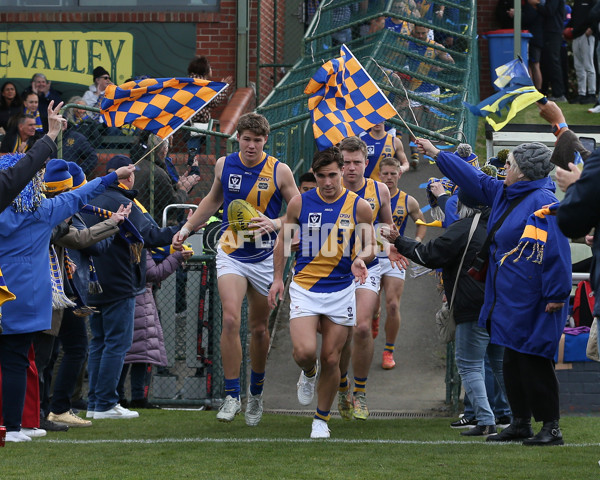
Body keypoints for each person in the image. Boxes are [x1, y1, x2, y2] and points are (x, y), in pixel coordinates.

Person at [417, 137, 571, 446]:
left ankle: (551, 427)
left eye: (510, 165)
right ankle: (520, 423)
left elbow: (557, 252)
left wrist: (556, 295)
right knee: (512, 361)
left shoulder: (542, 202)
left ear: (524, 172)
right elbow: (473, 178)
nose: (505, 170)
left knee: (534, 359)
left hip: (534, 299)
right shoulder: (506, 192)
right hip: (507, 297)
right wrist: (437, 155)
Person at [0, 103, 135, 442]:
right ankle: (15, 426)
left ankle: (14, 425)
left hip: (3, 289)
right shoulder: (44, 211)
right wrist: (110, 177)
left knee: (15, 361)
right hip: (33, 294)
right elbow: (79, 193)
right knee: (19, 360)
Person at [172, 112, 300, 426]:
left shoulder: (279, 171)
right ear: (238, 138)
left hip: (266, 258)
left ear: (265, 141)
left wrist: (274, 221)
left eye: (258, 140)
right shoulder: (223, 165)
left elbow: (301, 210)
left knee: (258, 329)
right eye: (246, 139)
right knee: (230, 318)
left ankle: (255, 394)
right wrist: (187, 228)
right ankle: (232, 396)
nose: (252, 145)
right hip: (231, 251)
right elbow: (212, 200)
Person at [386, 163, 507, 437]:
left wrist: (399, 240)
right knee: (498, 364)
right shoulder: (496, 223)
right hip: (498, 304)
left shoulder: (464, 228)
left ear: (461, 204)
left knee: (469, 363)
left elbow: (431, 253)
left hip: (471, 305)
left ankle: (486, 419)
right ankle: (512, 417)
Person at [268, 146, 375, 438]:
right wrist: (278, 279)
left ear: (342, 172)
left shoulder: (359, 206)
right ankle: (308, 372)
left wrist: (359, 258)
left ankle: (320, 419)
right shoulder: (299, 204)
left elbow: (369, 245)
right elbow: (283, 243)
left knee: (331, 357)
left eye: (332, 175)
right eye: (321, 176)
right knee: (305, 352)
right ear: (314, 176)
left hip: (341, 289)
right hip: (304, 287)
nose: (327, 182)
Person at [81, 155, 185, 420]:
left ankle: (95, 401)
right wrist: (184, 227)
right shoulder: (123, 201)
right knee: (117, 343)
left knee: (100, 342)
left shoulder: (88, 198)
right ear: (128, 176)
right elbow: (149, 236)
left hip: (92, 281)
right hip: (120, 280)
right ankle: (105, 403)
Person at [336, 135, 405, 421]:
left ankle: (360, 392)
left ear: (367, 163)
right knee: (341, 333)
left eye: (356, 162)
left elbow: (388, 227)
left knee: (362, 328)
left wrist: (392, 242)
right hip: (335, 267)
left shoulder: (379, 191)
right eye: (346, 162)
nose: (351, 168)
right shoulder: (329, 187)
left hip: (369, 264)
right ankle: (342, 385)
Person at [118, 248, 193, 409]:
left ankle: (119, 396)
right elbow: (154, 273)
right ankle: (133, 396)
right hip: (139, 300)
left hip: (124, 298)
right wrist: (177, 257)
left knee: (128, 353)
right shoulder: (139, 245)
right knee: (138, 352)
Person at [376, 157, 426, 369]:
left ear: (399, 174)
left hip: (394, 258)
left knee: (393, 305)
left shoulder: (408, 201)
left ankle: (388, 351)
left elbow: (421, 223)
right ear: (379, 175)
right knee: (368, 308)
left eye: (393, 174)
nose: (389, 177)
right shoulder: (370, 197)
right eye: (385, 173)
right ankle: (374, 316)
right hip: (369, 257)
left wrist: (414, 243)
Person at [0, 102, 65, 213]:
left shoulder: (37, 138)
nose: (34, 128)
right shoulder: (10, 138)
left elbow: (40, 160)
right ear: (21, 127)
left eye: (35, 125)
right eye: (30, 125)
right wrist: (16, 155)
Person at [133, 134, 200, 224]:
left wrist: (178, 185)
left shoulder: (139, 165)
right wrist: (184, 188)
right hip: (152, 223)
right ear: (164, 150)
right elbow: (172, 205)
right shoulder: (157, 173)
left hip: (138, 218)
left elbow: (163, 192)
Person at [187, 56, 233, 157]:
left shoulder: (189, 82)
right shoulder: (202, 85)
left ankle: (194, 165)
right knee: (195, 144)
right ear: (204, 70)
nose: (211, 69)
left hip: (186, 121)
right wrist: (224, 87)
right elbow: (213, 102)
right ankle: (193, 167)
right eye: (210, 67)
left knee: (196, 143)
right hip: (196, 122)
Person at [565, 0, 597, 104]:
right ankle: (581, 93)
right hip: (576, 34)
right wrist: (566, 30)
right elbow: (574, 18)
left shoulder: (593, 1)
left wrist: (592, 28)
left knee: (588, 65)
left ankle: (592, 93)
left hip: (586, 34)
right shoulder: (578, 2)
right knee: (578, 66)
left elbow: (596, 15)